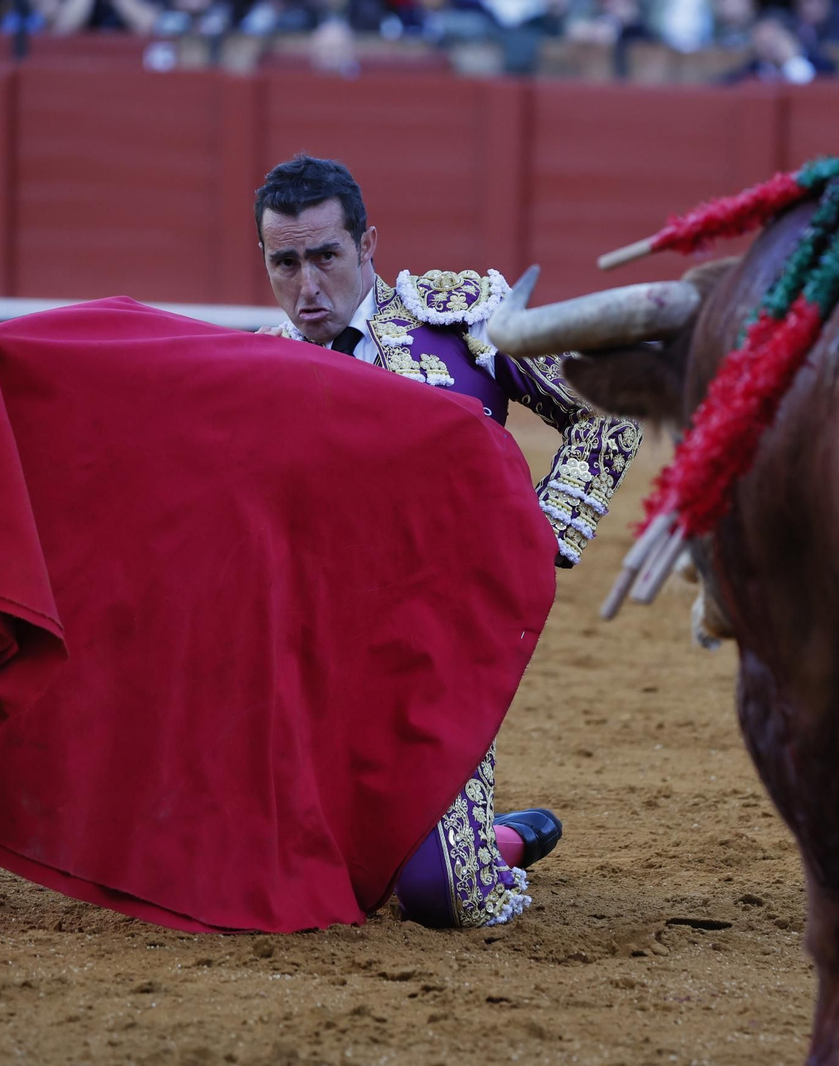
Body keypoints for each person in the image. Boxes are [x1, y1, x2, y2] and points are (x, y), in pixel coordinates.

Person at [252, 154, 641, 927]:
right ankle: (463, 835)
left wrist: (544, 535)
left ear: (368, 246)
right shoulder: (259, 367)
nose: (307, 287)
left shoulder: (457, 325)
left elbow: (609, 409)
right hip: (306, 669)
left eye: (325, 256)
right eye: (284, 262)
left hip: (435, 658)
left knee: (442, 898)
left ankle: (490, 842)